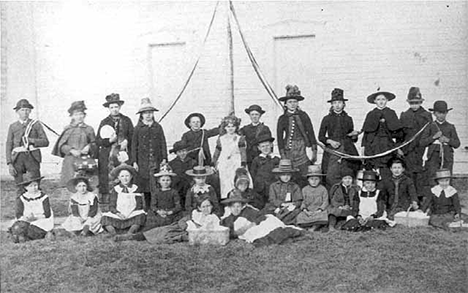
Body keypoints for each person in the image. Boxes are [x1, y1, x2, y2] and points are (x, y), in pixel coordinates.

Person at [6, 99, 49, 195]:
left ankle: (38, 208)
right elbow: (9, 145)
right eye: (22, 110)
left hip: (32, 157)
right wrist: (9, 163)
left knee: (35, 185)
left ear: (30, 111)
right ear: (17, 112)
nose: (25, 112)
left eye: (27, 110)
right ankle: (20, 209)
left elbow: (45, 142)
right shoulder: (13, 126)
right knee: (19, 186)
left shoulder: (36, 125)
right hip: (17, 159)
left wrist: (32, 140)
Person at [96, 93, 134, 204]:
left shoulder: (127, 120)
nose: (114, 109)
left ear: (120, 107)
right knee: (108, 178)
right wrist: (109, 141)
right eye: (112, 107)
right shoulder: (104, 122)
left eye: (116, 107)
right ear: (108, 108)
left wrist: (127, 140)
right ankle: (109, 203)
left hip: (123, 154)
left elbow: (133, 136)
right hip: (108, 155)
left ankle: (125, 201)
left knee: (123, 174)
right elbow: (98, 140)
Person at [319, 88, 360, 188]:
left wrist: (354, 136)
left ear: (344, 104)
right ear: (332, 104)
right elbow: (321, 137)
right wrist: (330, 141)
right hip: (332, 151)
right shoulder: (326, 119)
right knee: (330, 176)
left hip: (347, 149)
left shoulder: (348, 119)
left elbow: (352, 139)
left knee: (349, 173)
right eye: (335, 102)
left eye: (340, 102)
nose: (337, 105)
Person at [277, 85, 317, 186]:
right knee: (291, 174)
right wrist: (282, 154)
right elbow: (279, 138)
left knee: (304, 173)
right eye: (290, 102)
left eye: (295, 102)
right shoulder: (282, 118)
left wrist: (314, 150)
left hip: (302, 147)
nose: (292, 104)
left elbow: (311, 132)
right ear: (285, 104)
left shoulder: (304, 116)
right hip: (289, 149)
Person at [131, 98, 167, 210]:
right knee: (146, 185)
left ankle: (157, 207)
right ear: (141, 115)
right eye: (145, 113)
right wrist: (134, 161)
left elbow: (163, 143)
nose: (148, 115)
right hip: (143, 162)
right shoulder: (137, 129)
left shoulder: (158, 127)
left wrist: (164, 158)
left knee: (157, 184)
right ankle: (147, 207)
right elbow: (133, 146)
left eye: (150, 113)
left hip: (156, 161)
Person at [52, 101, 97, 187]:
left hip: (85, 161)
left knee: (87, 185)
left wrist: (89, 147)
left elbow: (94, 143)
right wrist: (71, 150)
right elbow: (61, 146)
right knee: (71, 186)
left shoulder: (89, 129)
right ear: (72, 116)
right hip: (70, 161)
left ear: (84, 115)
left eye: (81, 114)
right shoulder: (68, 129)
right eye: (76, 115)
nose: (79, 117)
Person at [361, 91, 403, 180]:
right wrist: (363, 148)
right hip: (373, 146)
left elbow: (398, 133)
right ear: (375, 101)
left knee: (387, 169)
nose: (381, 102)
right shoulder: (371, 114)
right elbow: (366, 133)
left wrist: (398, 147)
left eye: (383, 99)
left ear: (387, 100)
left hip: (387, 146)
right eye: (378, 99)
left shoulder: (391, 113)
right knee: (373, 170)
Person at [399, 87, 432, 194]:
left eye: (417, 102)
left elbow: (431, 132)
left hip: (422, 148)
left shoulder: (427, 116)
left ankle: (420, 196)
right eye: (412, 103)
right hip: (408, 150)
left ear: (421, 102)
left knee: (420, 173)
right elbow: (400, 134)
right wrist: (399, 148)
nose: (414, 105)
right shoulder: (404, 115)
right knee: (408, 172)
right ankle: (410, 196)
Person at [420, 101, 460, 186]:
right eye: (439, 113)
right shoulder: (430, 126)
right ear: (434, 113)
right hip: (433, 155)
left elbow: (457, 144)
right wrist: (433, 137)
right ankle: (434, 197)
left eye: (444, 113)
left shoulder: (450, 127)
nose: (441, 115)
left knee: (446, 176)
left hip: (447, 155)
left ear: (447, 113)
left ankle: (446, 197)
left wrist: (447, 140)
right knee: (432, 176)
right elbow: (422, 142)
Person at [101, 164, 146, 235]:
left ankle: (130, 232)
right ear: (118, 177)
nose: (125, 178)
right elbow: (112, 205)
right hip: (119, 213)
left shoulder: (135, 188)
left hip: (132, 213)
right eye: (122, 176)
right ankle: (113, 232)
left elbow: (139, 205)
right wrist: (118, 213)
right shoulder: (116, 189)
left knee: (141, 216)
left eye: (127, 176)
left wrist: (130, 213)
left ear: (131, 176)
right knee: (105, 217)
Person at [9, 173, 54, 243]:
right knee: (19, 226)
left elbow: (47, 214)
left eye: (35, 185)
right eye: (31, 186)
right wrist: (26, 218)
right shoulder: (22, 198)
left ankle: (24, 236)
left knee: (31, 229)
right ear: (25, 187)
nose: (34, 188)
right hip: (26, 220)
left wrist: (35, 217)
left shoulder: (44, 197)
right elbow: (18, 214)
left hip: (40, 220)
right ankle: (20, 236)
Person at [212, 115, 247, 199]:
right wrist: (213, 163)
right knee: (224, 180)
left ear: (236, 127)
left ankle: (237, 197)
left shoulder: (240, 138)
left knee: (234, 178)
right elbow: (217, 152)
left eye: (233, 126)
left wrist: (243, 163)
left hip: (236, 161)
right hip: (224, 161)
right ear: (225, 128)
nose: (230, 128)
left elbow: (243, 152)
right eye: (228, 127)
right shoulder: (221, 138)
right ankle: (225, 198)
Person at [266, 159, 303, 225]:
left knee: (297, 212)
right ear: (279, 175)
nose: (286, 177)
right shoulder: (274, 186)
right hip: (277, 207)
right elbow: (272, 199)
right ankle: (280, 221)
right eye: (283, 175)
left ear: (291, 175)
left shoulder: (295, 186)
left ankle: (284, 221)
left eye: (288, 175)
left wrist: (293, 204)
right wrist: (281, 204)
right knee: (269, 212)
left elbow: (299, 200)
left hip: (290, 208)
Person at [146, 163, 182, 228]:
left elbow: (178, 206)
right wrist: (159, 211)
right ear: (159, 181)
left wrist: (170, 212)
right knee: (155, 223)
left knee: (172, 223)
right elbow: (153, 205)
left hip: (171, 213)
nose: (165, 182)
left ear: (171, 181)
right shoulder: (156, 192)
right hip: (159, 213)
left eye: (168, 180)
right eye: (163, 180)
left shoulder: (174, 192)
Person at [296, 165, 329, 231]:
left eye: (316, 179)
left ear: (319, 179)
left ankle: (314, 227)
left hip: (319, 210)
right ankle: (306, 226)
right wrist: (305, 211)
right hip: (308, 210)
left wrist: (319, 210)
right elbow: (303, 201)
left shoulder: (323, 189)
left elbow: (325, 201)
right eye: (312, 179)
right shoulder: (304, 189)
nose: (314, 181)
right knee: (300, 216)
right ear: (308, 179)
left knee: (323, 216)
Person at [250, 134, 280, 205]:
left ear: (271, 145)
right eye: (263, 146)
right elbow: (253, 173)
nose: (265, 148)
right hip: (260, 188)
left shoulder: (276, 158)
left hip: (273, 186)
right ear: (259, 148)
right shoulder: (256, 160)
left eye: (267, 146)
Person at [239, 105, 272, 170]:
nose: (254, 116)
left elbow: (269, 143)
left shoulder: (265, 128)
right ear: (249, 116)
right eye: (252, 114)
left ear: (260, 116)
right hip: (249, 156)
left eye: (256, 114)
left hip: (261, 155)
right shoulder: (245, 129)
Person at [168, 140, 197, 208]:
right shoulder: (172, 163)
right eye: (179, 152)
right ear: (176, 153)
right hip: (177, 187)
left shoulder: (193, 162)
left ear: (187, 151)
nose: (182, 153)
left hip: (189, 186)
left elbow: (195, 176)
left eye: (184, 151)